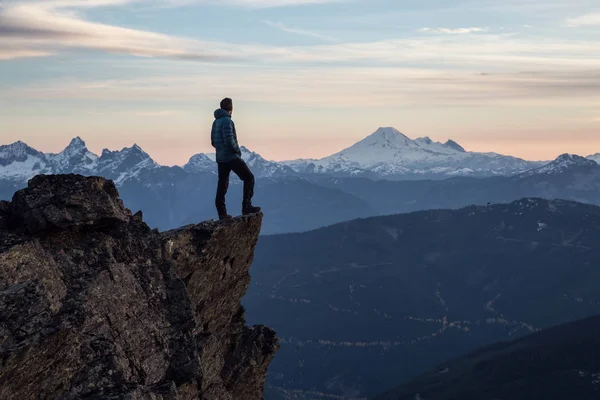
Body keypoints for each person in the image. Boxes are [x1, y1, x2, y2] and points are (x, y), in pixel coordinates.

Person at [211, 97, 261, 220]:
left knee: (222, 185)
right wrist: (236, 150)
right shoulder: (227, 121)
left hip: (221, 158)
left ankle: (222, 213)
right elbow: (229, 140)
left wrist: (220, 149)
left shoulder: (216, 122)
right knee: (249, 177)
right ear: (230, 108)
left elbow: (213, 141)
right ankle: (246, 206)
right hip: (231, 157)